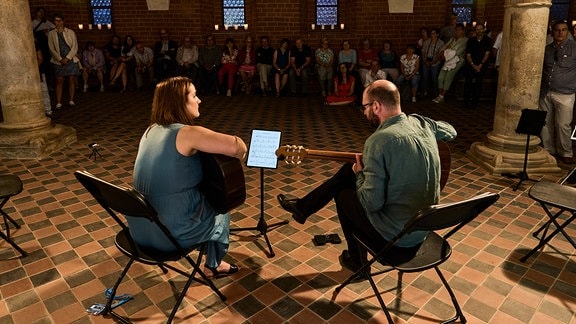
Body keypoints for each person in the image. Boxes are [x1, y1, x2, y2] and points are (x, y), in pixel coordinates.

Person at [277, 79, 457, 271]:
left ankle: (358, 262)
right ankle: (303, 207)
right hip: (422, 229)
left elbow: (371, 203)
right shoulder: (421, 123)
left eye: (364, 107)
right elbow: (451, 131)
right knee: (348, 171)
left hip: (396, 240)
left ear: (377, 106)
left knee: (344, 193)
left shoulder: (379, 141)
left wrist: (360, 175)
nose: (363, 112)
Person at [129, 76, 247, 278]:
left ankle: (212, 260)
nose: (199, 100)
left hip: (139, 230)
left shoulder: (150, 130)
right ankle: (213, 265)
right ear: (179, 102)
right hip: (171, 236)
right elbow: (238, 147)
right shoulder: (188, 133)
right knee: (221, 207)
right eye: (194, 95)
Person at [539, 20, 576, 165]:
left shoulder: (574, 48)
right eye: (557, 30)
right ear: (552, 31)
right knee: (545, 123)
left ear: (567, 31)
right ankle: (548, 149)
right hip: (546, 91)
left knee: (562, 124)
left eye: (563, 30)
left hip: (565, 93)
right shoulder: (547, 49)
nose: (560, 33)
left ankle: (565, 152)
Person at [47, 13, 80, 109]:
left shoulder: (70, 32)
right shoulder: (51, 33)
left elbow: (75, 47)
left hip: (71, 59)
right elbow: (51, 48)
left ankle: (71, 100)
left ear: (63, 21)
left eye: (60, 20)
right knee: (59, 80)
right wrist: (60, 59)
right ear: (54, 22)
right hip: (58, 60)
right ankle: (58, 102)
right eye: (56, 20)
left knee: (71, 79)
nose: (59, 22)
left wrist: (67, 58)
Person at [433, 23, 467, 104]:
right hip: (447, 60)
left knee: (448, 77)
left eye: (459, 30)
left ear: (463, 31)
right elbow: (444, 47)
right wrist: (443, 52)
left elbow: (457, 51)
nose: (457, 32)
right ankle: (439, 94)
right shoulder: (452, 39)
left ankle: (442, 96)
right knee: (440, 77)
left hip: (457, 61)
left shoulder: (465, 40)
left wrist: (447, 52)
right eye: (456, 30)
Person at [463, 24, 492, 109]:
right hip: (471, 64)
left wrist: (480, 65)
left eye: (480, 29)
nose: (479, 31)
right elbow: (468, 54)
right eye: (477, 29)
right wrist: (473, 65)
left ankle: (474, 103)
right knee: (468, 82)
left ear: (484, 30)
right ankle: (466, 102)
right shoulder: (471, 41)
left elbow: (487, 54)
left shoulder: (488, 40)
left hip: (481, 64)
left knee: (478, 83)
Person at [32, 7, 55, 85]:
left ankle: (48, 83)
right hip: (38, 45)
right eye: (39, 12)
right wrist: (40, 32)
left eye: (42, 12)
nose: (41, 13)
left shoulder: (46, 22)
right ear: (36, 13)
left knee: (47, 64)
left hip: (46, 45)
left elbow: (54, 29)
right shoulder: (32, 22)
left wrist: (48, 32)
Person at [420, 28, 445, 97]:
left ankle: (436, 93)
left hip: (435, 62)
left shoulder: (441, 43)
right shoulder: (427, 41)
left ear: (437, 34)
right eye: (431, 33)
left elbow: (440, 54)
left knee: (434, 78)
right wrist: (425, 61)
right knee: (425, 77)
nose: (432, 35)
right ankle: (424, 91)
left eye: (433, 33)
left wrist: (433, 62)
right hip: (426, 61)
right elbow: (423, 51)